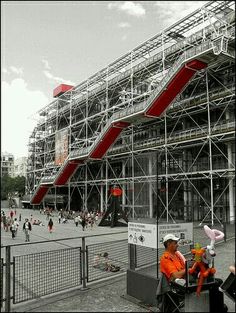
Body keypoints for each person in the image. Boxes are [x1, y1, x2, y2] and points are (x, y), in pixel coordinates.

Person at [160, 233, 227, 313]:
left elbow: (186, 266)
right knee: (215, 283)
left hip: (189, 280)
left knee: (216, 281)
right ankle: (217, 308)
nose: (177, 245)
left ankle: (217, 307)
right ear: (168, 244)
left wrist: (196, 261)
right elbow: (175, 275)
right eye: (175, 243)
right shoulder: (165, 258)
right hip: (180, 286)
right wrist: (189, 269)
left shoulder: (176, 255)